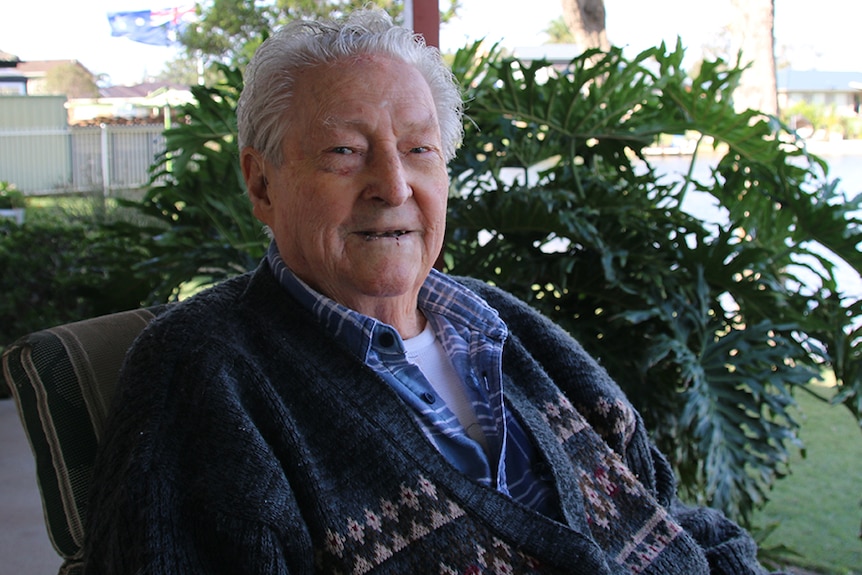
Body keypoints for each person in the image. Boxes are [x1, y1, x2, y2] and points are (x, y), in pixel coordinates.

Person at [83, 9, 783, 575]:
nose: (393, 186)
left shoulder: (501, 322)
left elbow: (660, 509)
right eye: (344, 152)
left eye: (420, 150)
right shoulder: (204, 372)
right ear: (262, 183)